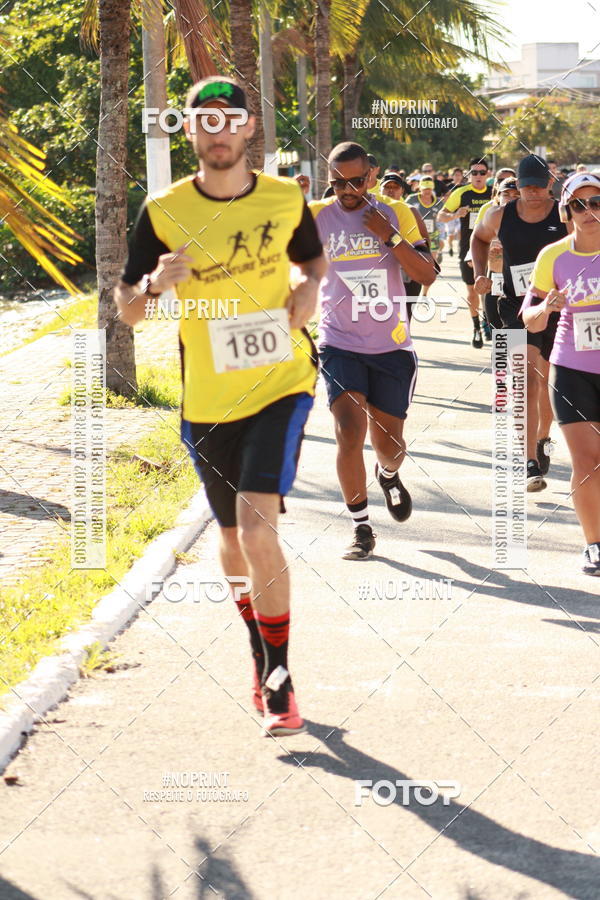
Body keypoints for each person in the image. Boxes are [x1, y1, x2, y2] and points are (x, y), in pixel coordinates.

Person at [114, 76, 327, 736]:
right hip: (206, 399)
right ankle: (259, 649)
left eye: (229, 118)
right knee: (231, 540)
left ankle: (280, 679)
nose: (218, 131)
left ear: (248, 126)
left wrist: (306, 291)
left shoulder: (284, 197)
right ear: (189, 131)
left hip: (281, 382)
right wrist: (155, 284)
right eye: (204, 120)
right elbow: (128, 308)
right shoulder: (164, 210)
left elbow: (311, 263)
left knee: (258, 529)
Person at [309, 141, 437, 559]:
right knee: (348, 432)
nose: (347, 190)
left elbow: (427, 275)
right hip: (339, 342)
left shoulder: (397, 213)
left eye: (355, 181)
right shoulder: (316, 216)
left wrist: (389, 236)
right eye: (337, 183)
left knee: (390, 446)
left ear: (370, 177)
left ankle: (388, 474)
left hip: (390, 347)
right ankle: (361, 528)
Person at [471, 154, 569, 490]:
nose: (533, 193)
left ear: (549, 184)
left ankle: (542, 438)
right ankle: (529, 462)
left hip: (556, 307)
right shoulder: (500, 215)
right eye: (527, 188)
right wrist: (481, 274)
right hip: (516, 305)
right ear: (519, 186)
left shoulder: (564, 214)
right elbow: (478, 238)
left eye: (539, 187)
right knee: (525, 379)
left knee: (546, 380)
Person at [520, 172, 600, 575]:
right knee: (586, 461)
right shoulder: (553, 256)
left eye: (596, 202)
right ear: (567, 213)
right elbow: (529, 319)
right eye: (578, 205)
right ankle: (594, 545)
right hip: (572, 369)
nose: (589, 211)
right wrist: (546, 307)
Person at [438, 156, 493, 347]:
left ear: (488, 174)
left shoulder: (493, 193)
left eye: (482, 172)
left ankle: (489, 322)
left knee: (492, 288)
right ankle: (476, 326)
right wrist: (456, 214)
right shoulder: (461, 193)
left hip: (492, 248)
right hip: (468, 250)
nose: (478, 176)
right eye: (474, 172)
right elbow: (441, 216)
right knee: (472, 290)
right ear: (469, 174)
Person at [407, 176, 444, 294]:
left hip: (433, 237)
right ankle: (414, 288)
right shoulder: (411, 199)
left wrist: (442, 236)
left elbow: (443, 219)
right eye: (424, 189)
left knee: (430, 266)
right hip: (415, 236)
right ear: (420, 188)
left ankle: (424, 293)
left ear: (432, 188)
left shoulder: (438, 202)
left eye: (429, 189)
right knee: (416, 263)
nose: (427, 191)